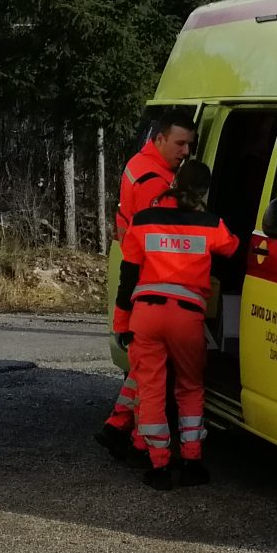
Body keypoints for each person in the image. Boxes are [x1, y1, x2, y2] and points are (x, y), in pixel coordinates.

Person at [112, 159, 236, 490]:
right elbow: (233, 247)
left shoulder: (143, 220)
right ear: (204, 190)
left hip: (146, 314)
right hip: (187, 316)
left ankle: (159, 466)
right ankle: (192, 461)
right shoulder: (212, 224)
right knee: (190, 386)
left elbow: (128, 277)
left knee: (151, 389)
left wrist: (121, 324)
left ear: (175, 181)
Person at [97, 113, 197, 456]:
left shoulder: (139, 164)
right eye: (179, 143)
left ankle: (116, 425)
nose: (185, 152)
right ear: (160, 139)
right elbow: (167, 238)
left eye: (189, 145)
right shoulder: (156, 183)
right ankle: (142, 444)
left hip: (140, 279)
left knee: (142, 368)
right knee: (153, 377)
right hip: (153, 283)